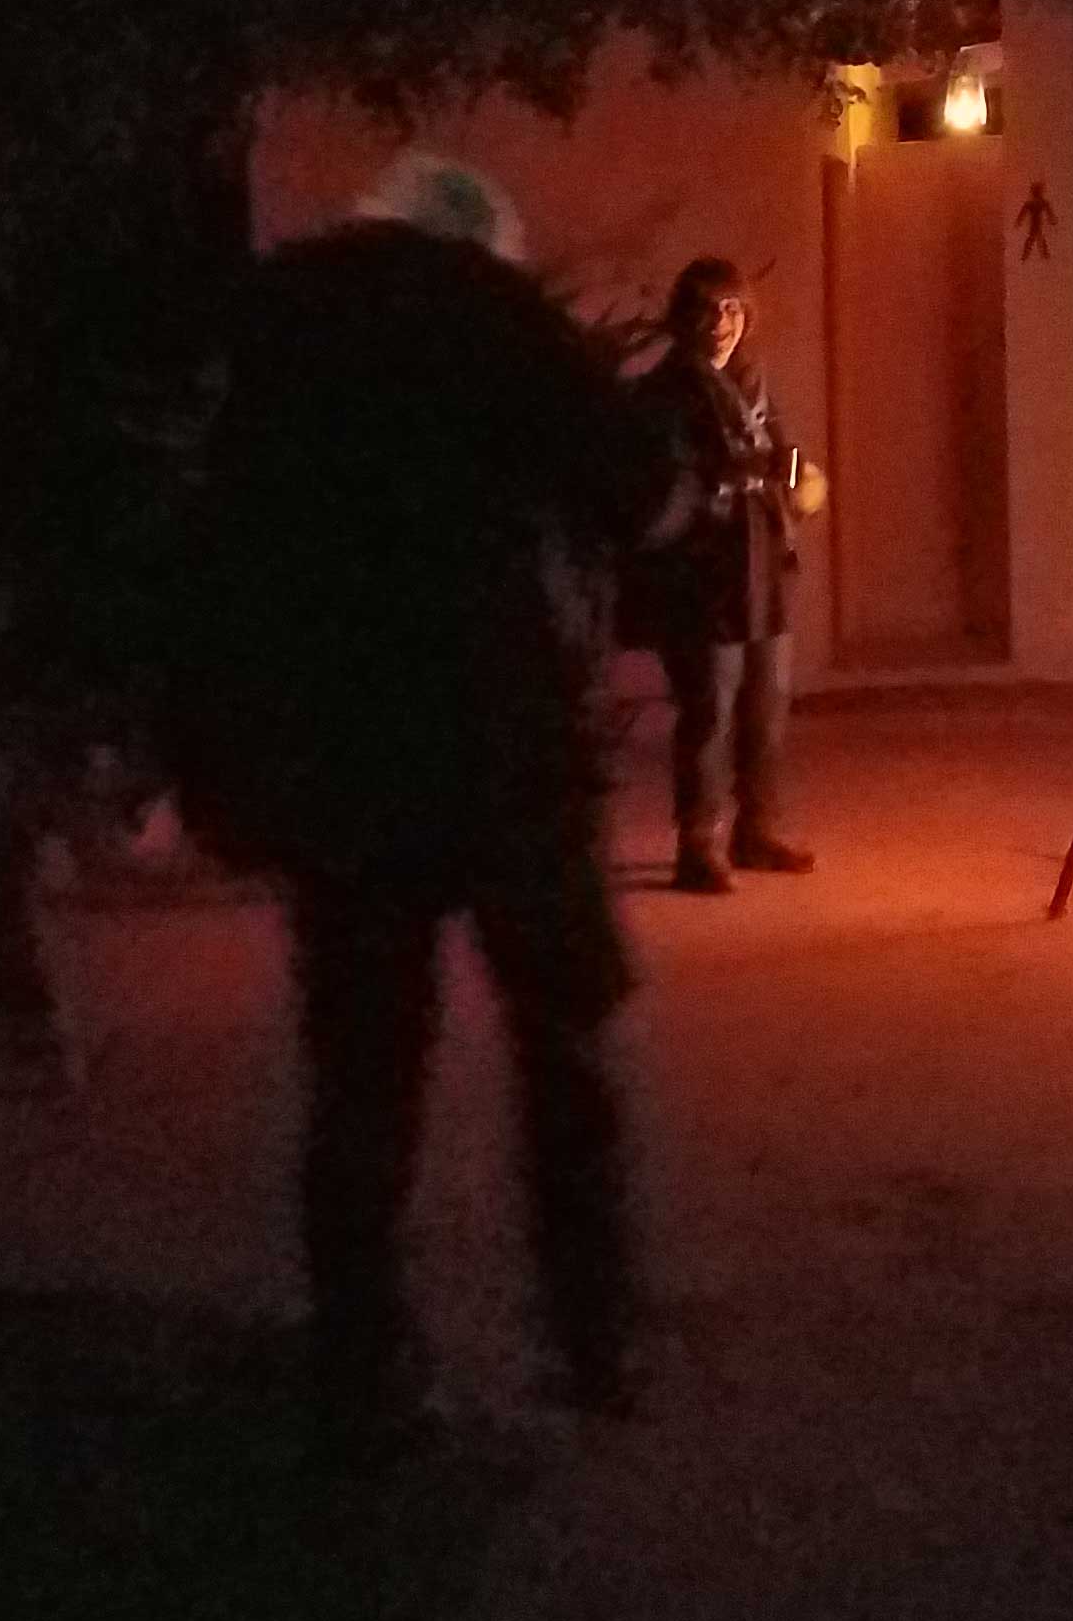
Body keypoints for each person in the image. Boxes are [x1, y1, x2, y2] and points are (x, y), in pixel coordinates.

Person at [166, 177, 681, 1464]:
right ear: (479, 244)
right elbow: (640, 487)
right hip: (502, 739)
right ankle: (593, 1336)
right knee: (561, 1044)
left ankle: (362, 1358)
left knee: (363, 1071)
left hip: (343, 752)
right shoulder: (495, 315)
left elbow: (210, 543)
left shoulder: (275, 332)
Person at [626, 255, 820, 893]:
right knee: (709, 711)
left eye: (732, 309)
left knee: (767, 709)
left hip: (764, 568)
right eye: (708, 310)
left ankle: (756, 831)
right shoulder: (665, 393)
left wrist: (799, 480)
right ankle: (698, 844)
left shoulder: (751, 381)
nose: (721, 323)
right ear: (685, 318)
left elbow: (785, 456)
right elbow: (661, 490)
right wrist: (721, 484)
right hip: (703, 579)